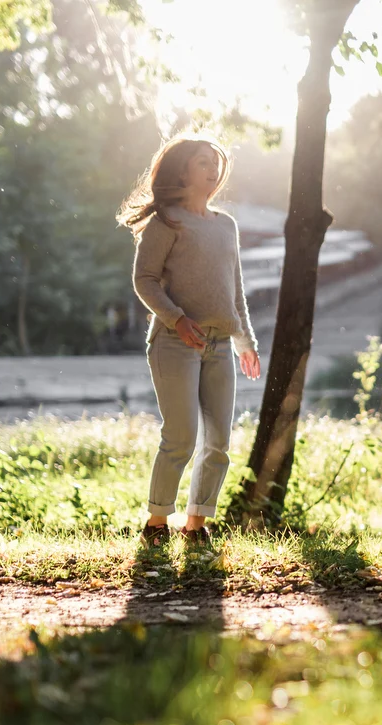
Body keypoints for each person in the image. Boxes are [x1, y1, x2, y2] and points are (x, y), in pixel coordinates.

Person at [117, 134, 261, 547]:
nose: (212, 169)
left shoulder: (226, 226)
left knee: (218, 442)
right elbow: (143, 280)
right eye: (202, 162)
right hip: (175, 342)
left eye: (216, 162)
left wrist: (244, 341)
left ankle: (196, 526)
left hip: (220, 345)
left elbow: (234, 292)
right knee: (181, 437)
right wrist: (176, 320)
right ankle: (157, 523)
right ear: (183, 170)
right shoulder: (167, 222)